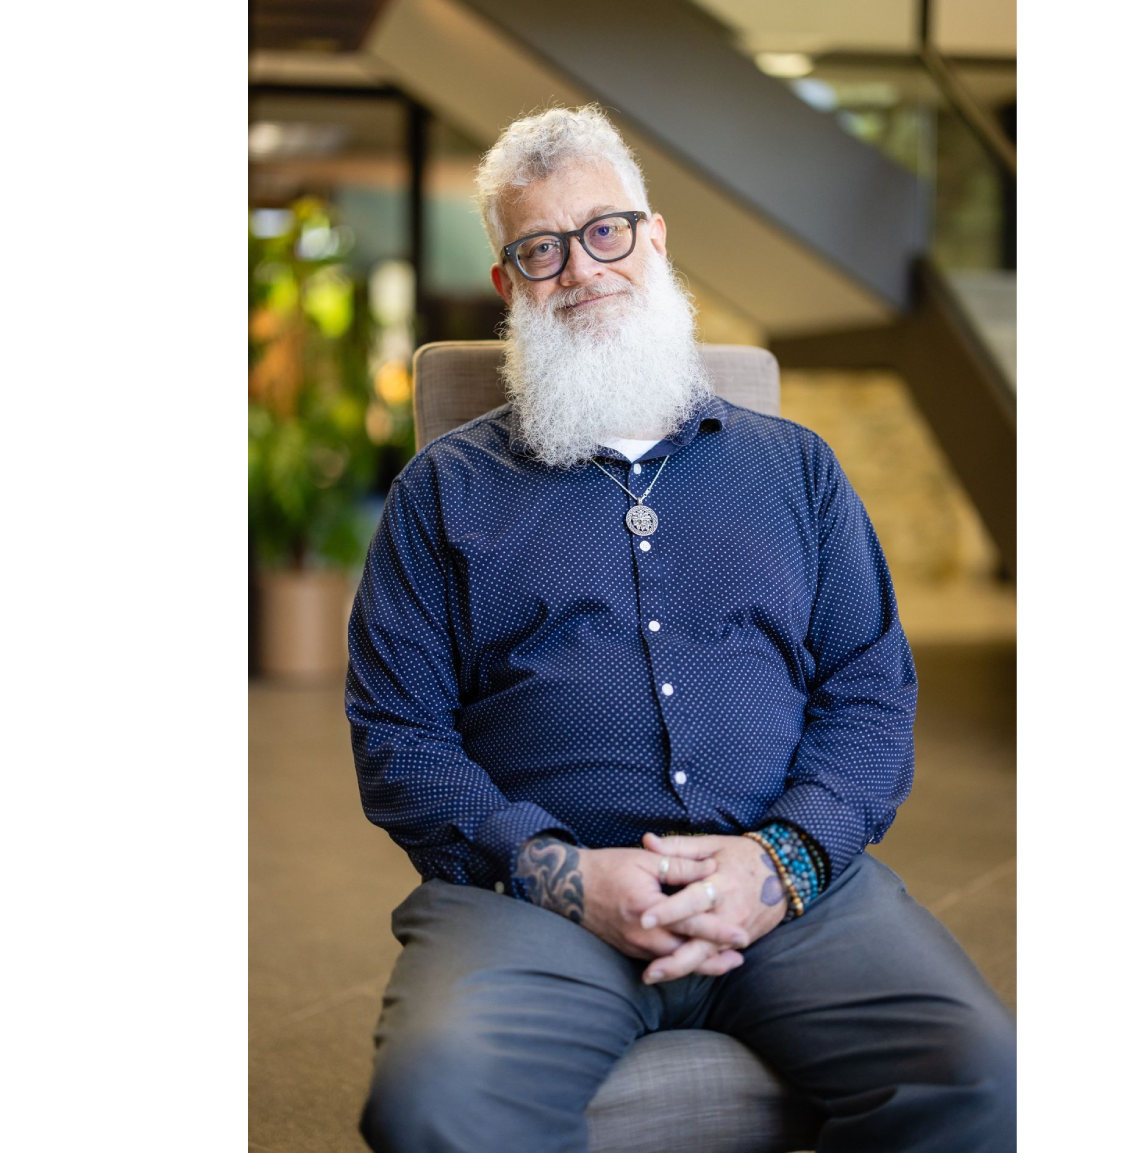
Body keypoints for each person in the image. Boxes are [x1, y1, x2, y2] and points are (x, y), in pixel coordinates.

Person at [346, 104, 1015, 1152]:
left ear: (653, 236)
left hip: (791, 897)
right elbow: (399, 738)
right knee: (434, 1103)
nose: (582, 268)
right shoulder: (444, 491)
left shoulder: (796, 469)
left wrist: (779, 861)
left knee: (982, 1077)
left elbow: (870, 691)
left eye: (605, 230)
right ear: (508, 284)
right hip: (531, 907)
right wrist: (555, 870)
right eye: (541, 249)